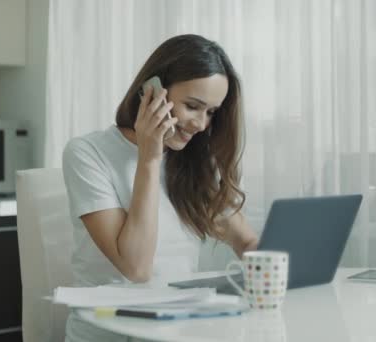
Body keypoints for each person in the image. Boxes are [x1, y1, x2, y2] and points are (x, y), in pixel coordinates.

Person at [62, 34, 258, 342]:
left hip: (178, 330)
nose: (201, 125)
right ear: (151, 92)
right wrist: (149, 158)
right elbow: (137, 268)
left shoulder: (195, 162)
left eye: (211, 112)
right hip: (111, 333)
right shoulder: (87, 153)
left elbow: (247, 244)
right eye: (193, 106)